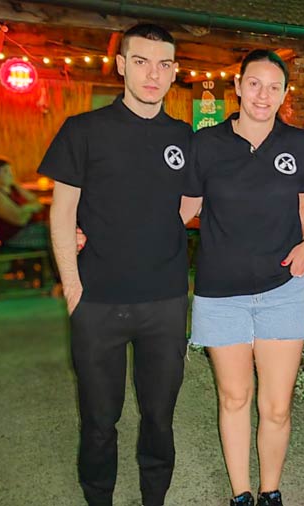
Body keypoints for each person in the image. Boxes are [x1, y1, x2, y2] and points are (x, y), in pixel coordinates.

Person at [39, 24, 192, 506]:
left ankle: (154, 498)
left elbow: (190, 203)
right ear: (122, 65)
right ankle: (98, 497)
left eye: (163, 64)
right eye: (141, 62)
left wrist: (151, 229)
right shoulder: (83, 130)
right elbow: (62, 211)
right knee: (100, 419)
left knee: (160, 416)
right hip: (98, 300)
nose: (153, 74)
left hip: (165, 301)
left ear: (174, 71)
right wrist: (71, 285)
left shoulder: (183, 136)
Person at [181, 50, 304, 506]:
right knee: (234, 397)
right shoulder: (206, 144)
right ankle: (241, 494)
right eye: (254, 84)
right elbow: (183, 209)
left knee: (276, 406)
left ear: (284, 94)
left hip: (284, 289)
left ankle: (270, 491)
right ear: (237, 86)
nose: (263, 95)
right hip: (221, 293)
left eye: (274, 87)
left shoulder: (298, 143)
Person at [0, 157, 48, 249]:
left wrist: (24, 209)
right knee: (56, 236)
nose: (11, 174)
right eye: (5, 171)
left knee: (58, 231)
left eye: (10, 171)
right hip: (14, 237)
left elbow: (37, 202)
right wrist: (30, 208)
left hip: (30, 228)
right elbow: (19, 219)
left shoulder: (13, 187)